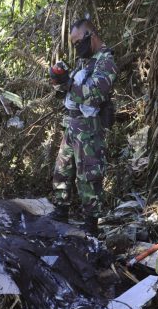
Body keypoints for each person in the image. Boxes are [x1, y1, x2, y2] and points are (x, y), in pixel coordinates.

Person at [49, 18, 117, 235]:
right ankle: (61, 210)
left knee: (89, 175)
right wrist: (60, 79)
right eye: (74, 44)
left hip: (89, 127)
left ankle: (90, 224)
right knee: (62, 169)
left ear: (91, 35)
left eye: (79, 42)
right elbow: (71, 90)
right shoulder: (85, 61)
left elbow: (95, 93)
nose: (77, 48)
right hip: (73, 123)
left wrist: (69, 84)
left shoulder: (105, 61)